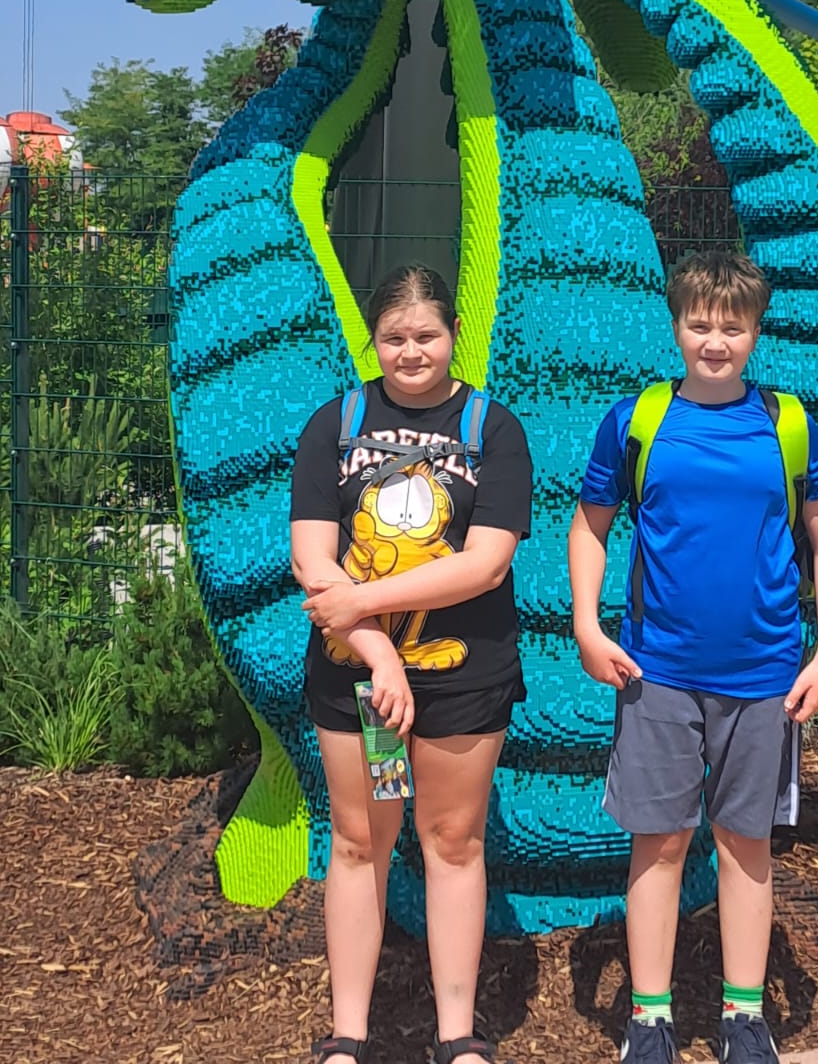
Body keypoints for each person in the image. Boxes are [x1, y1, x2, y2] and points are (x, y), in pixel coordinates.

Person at [568, 251, 818, 1064]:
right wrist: (587, 626)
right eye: (700, 324)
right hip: (655, 673)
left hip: (765, 676)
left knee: (744, 844)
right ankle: (649, 1019)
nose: (715, 341)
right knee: (658, 844)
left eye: (733, 326)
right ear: (676, 326)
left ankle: (744, 1016)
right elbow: (589, 526)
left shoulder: (789, 425)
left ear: (756, 331)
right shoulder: (637, 421)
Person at [291, 264, 533, 1064]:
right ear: (374, 340)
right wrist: (378, 656)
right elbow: (313, 563)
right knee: (363, 840)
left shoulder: (493, 429)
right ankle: (348, 1035)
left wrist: (365, 605)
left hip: (462, 679)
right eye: (394, 337)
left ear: (454, 334)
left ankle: (457, 1035)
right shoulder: (336, 424)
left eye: (426, 335)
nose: (411, 351)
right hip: (363, 685)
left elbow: (485, 565)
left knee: (452, 840)